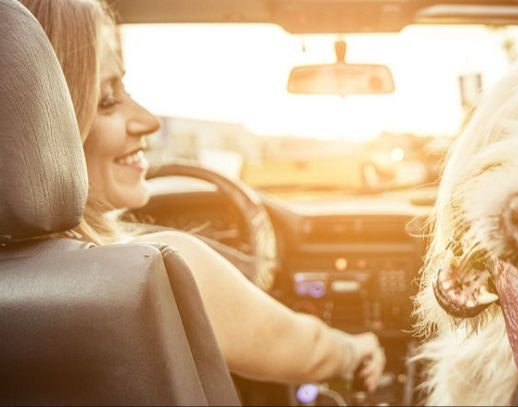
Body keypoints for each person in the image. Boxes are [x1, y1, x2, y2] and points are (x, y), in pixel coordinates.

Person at [19, 0, 386, 391]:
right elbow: (303, 348)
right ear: (41, 124)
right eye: (108, 99)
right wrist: (354, 350)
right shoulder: (159, 269)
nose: (149, 120)